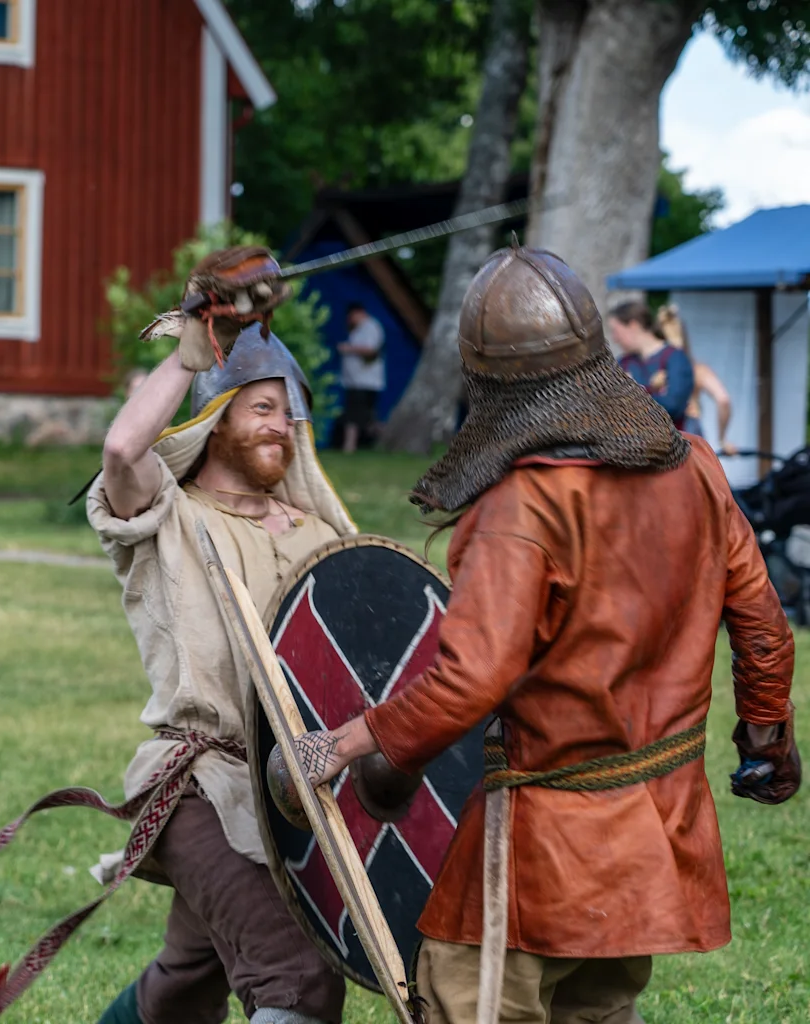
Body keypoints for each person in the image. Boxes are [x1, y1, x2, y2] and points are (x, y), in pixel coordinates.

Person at [283, 242, 800, 1024]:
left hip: (549, 843)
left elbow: (472, 679)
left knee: (465, 998)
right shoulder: (695, 465)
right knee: (597, 1012)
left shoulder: (522, 507)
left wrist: (346, 743)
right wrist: (767, 737)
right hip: (660, 822)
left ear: (488, 381)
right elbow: (761, 621)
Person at [88, 312, 356, 1024]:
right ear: (215, 418)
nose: (281, 427)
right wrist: (190, 355)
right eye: (261, 408)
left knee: (186, 980)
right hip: (201, 784)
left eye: (289, 414)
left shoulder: (323, 536)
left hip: (300, 791)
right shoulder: (167, 517)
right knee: (296, 979)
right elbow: (121, 449)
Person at [656, 303, 737, 454]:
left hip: (658, 436)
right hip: (690, 431)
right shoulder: (697, 370)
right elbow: (723, 399)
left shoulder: (650, 373)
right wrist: (722, 439)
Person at [609, 300, 695, 430]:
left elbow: (673, 407)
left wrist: (632, 392)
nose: (614, 338)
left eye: (616, 331)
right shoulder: (624, 363)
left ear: (633, 325)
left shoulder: (675, 358)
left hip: (670, 439)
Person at [337, 302, 385, 453]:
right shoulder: (359, 329)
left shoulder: (370, 327)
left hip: (365, 382)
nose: (349, 321)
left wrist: (348, 349)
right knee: (364, 418)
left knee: (355, 417)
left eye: (351, 317)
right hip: (355, 382)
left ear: (358, 313)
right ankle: (384, 439)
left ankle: (349, 446)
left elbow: (371, 350)